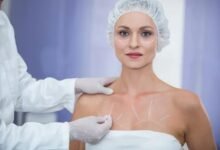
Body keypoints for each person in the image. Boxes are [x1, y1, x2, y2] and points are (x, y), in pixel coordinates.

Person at [70, 0, 217, 149]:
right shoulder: (88, 104)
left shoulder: (186, 104)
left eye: (145, 33)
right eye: (124, 33)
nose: (134, 43)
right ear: (112, 37)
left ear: (159, 38)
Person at [0, 1, 114, 150]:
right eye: (123, 33)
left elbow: (20, 89)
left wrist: (75, 86)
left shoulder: (2, 23)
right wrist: (69, 132)